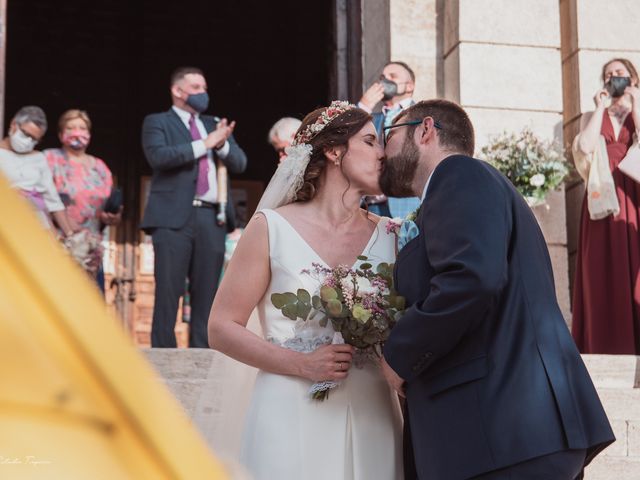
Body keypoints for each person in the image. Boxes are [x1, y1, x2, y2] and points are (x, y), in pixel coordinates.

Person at [379, 99, 614, 479]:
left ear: (425, 131)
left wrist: (399, 353)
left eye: (387, 135)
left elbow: (471, 278)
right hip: (508, 436)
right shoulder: (473, 188)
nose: (381, 150)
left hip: (501, 429)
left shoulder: (458, 174)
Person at [208, 101, 403, 480]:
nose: (383, 154)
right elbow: (220, 327)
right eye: (370, 141)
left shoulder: (392, 236)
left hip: (372, 409)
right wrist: (301, 364)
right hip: (288, 407)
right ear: (333, 151)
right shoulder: (271, 227)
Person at [141, 66, 247, 348]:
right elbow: (159, 157)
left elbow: (240, 162)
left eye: (205, 87)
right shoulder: (157, 122)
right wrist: (205, 144)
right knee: (168, 292)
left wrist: (221, 144)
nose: (204, 93)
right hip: (172, 217)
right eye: (196, 88)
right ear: (178, 91)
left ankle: (203, 359)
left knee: (208, 295)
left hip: (211, 217)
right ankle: (163, 358)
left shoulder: (215, 123)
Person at [571, 58, 640, 354]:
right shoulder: (592, 115)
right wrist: (600, 107)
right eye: (609, 74)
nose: (615, 78)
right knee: (600, 268)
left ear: (633, 78)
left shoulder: (637, 110)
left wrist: (636, 103)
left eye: (620, 73)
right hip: (603, 196)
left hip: (635, 194)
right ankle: (605, 345)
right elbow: (585, 148)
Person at [44, 109, 121, 291]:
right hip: (57, 245)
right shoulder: (49, 159)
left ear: (89, 133)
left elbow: (108, 203)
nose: (77, 132)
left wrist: (112, 217)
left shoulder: (100, 167)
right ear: (61, 133)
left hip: (90, 249)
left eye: (82, 127)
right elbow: (37, 197)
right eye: (70, 128)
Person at [0, 106, 74, 236]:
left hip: (35, 228)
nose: (28, 141)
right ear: (13, 125)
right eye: (26, 134)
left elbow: (53, 201)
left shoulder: (39, 159)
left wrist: (70, 235)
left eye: (34, 139)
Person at [359, 61, 420, 219]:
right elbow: (344, 136)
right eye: (382, 77)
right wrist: (363, 106)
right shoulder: (372, 119)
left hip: (406, 205)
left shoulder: (422, 115)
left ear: (409, 86)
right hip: (369, 206)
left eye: (392, 76)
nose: (385, 81)